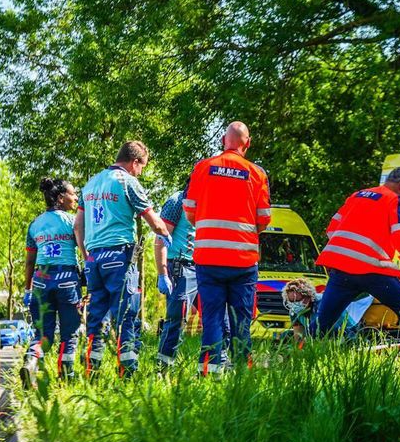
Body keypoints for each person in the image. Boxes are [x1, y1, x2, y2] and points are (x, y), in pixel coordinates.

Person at [75, 141, 171, 375]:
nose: (140, 172)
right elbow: (155, 222)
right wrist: (167, 236)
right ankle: (127, 372)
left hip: (94, 258)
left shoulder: (90, 184)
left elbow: (78, 226)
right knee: (126, 315)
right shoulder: (127, 181)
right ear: (134, 161)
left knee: (96, 319)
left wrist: (86, 257)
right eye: (142, 167)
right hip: (119, 256)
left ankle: (92, 371)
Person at [183, 121, 271, 373]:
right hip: (243, 260)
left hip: (208, 256)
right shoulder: (257, 174)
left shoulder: (203, 168)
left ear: (223, 140)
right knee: (241, 319)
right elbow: (264, 219)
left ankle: (209, 370)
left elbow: (189, 211)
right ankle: (241, 371)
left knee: (211, 316)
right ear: (248, 143)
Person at [315, 166, 400, 340]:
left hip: (341, 270)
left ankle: (305, 346)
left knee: (323, 321)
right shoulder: (394, 200)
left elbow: (332, 229)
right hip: (373, 270)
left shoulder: (357, 195)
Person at [22, 177, 83, 378]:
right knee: (69, 332)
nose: (76, 197)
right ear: (60, 197)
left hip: (41, 280)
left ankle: (31, 360)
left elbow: (29, 262)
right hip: (67, 279)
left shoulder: (34, 224)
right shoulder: (73, 222)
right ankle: (66, 376)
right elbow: (84, 248)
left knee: (42, 333)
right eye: (73, 193)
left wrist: (28, 290)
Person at [155, 184, 196, 367]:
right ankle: (163, 366)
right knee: (176, 319)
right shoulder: (176, 201)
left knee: (219, 317)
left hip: (200, 267)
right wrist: (162, 273)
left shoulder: (203, 202)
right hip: (179, 267)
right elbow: (161, 239)